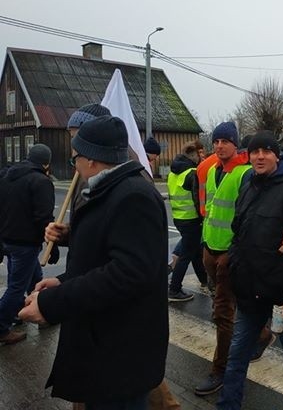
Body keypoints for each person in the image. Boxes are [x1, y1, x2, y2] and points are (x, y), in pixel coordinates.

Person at [19, 116, 169, 408]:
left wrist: (52, 304)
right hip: (106, 346)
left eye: (75, 157)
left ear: (92, 160)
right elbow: (105, 253)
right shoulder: (110, 188)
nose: (73, 165)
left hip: (121, 354)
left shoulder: (133, 195)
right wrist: (64, 280)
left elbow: (127, 274)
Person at [216, 131, 283, 410]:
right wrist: (233, 260)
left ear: (276, 156)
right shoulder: (248, 184)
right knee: (237, 356)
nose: (259, 157)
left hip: (280, 295)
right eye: (255, 151)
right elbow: (238, 230)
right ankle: (227, 405)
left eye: (266, 151)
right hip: (249, 290)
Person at [196, 121, 251, 396]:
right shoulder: (214, 169)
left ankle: (220, 370)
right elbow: (211, 207)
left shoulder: (244, 173)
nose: (219, 146)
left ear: (235, 144)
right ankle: (261, 335)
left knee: (222, 312)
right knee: (231, 305)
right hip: (211, 248)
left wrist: (233, 251)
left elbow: (247, 217)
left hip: (229, 254)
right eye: (216, 141)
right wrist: (205, 243)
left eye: (225, 141)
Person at [0, 144, 54, 345]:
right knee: (16, 287)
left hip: (8, 240)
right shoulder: (41, 181)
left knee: (34, 280)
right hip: (25, 243)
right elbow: (44, 218)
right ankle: (2, 325)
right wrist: (53, 244)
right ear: (46, 163)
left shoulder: (7, 177)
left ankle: (41, 312)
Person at [168, 142, 208, 301]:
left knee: (194, 250)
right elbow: (198, 199)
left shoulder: (174, 172)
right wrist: (203, 216)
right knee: (187, 254)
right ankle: (174, 289)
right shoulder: (192, 173)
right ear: (195, 155)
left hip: (179, 217)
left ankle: (204, 280)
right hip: (191, 218)